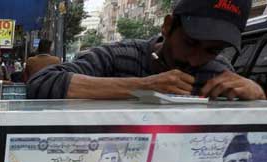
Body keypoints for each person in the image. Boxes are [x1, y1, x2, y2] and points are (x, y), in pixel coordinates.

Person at [27, 0, 266, 101]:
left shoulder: (219, 74)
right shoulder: (116, 57)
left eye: (213, 50)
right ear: (168, 25)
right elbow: (42, 83)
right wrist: (142, 87)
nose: (196, 60)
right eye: (191, 43)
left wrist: (258, 97)